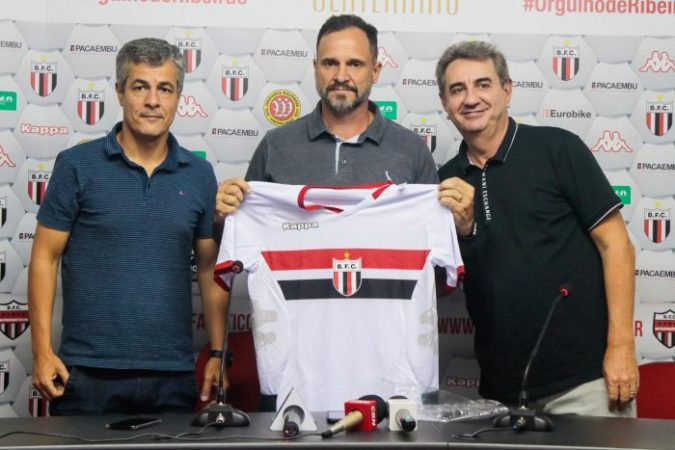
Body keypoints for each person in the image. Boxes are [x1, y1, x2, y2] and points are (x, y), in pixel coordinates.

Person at [215, 15, 447, 411]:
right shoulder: (277, 147)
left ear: (376, 70)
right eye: (330, 63)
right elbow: (239, 249)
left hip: (390, 386)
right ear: (315, 68)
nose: (341, 75)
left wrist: (459, 224)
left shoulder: (411, 151)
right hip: (298, 386)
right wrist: (227, 218)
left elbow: (437, 278)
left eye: (354, 63)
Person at [435, 40, 639, 417]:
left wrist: (622, 347)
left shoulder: (557, 148)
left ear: (507, 90)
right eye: (457, 89)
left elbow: (617, 246)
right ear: (445, 104)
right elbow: (447, 280)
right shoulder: (444, 182)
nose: (471, 98)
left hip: (585, 382)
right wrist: (465, 231)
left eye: (483, 84)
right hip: (501, 393)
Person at [28, 38, 229, 415]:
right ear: (120, 92)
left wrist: (218, 352)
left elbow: (209, 269)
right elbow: (45, 257)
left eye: (164, 88)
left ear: (178, 96)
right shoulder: (76, 166)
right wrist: (41, 351)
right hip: (87, 374)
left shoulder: (200, 175)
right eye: (140, 87)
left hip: (172, 375)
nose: (153, 100)